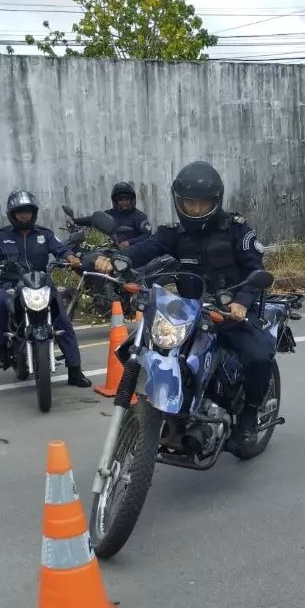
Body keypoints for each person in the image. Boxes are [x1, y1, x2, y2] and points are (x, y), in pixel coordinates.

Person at [94, 161, 273, 444]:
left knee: (261, 354)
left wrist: (241, 302)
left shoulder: (236, 231)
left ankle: (249, 416)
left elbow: (256, 270)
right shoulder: (175, 234)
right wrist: (117, 260)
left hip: (228, 312)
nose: (197, 211)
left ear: (216, 201)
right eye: (190, 204)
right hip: (187, 313)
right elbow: (146, 248)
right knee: (155, 348)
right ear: (180, 203)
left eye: (203, 204)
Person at [0, 189, 92, 387]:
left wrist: (72, 259)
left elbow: (62, 250)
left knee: (63, 321)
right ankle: (1, 350)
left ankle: (75, 370)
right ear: (12, 214)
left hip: (40, 283)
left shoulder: (44, 234)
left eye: (28, 211)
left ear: (34, 213)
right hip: (11, 283)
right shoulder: (1, 236)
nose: (25, 215)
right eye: (20, 211)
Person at [66, 182, 152, 248]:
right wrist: (75, 221)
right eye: (121, 200)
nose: (124, 202)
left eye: (127, 199)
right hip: (109, 249)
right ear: (116, 201)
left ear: (132, 200)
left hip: (131, 252)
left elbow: (147, 235)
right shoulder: (110, 214)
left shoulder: (140, 216)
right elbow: (93, 219)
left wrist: (130, 242)